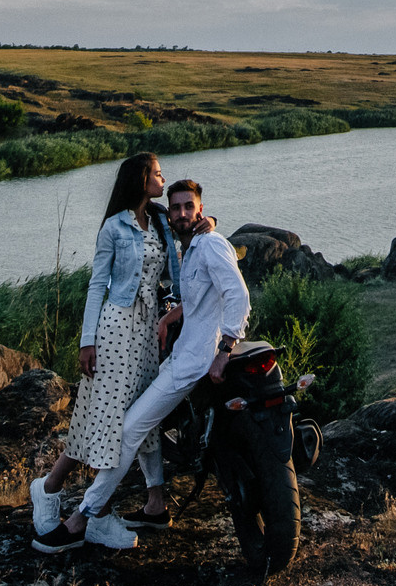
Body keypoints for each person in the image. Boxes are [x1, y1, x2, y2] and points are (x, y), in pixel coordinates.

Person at [34, 177, 248, 552]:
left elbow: (238, 293)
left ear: (199, 209)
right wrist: (169, 318)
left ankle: (82, 518)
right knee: (137, 423)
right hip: (167, 350)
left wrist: (225, 348)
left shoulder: (209, 243)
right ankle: (154, 506)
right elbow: (200, 295)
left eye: (189, 207)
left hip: (192, 364)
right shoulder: (182, 238)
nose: (181, 213)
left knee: (129, 429)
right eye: (176, 206)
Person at [31, 152, 184, 543]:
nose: (162, 178)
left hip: (148, 332)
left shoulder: (162, 221)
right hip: (115, 330)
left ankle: (154, 501)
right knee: (110, 418)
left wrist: (208, 224)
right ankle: (87, 507)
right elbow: (97, 285)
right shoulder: (114, 228)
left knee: (144, 414)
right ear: (140, 179)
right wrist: (87, 342)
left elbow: (192, 229)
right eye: (157, 173)